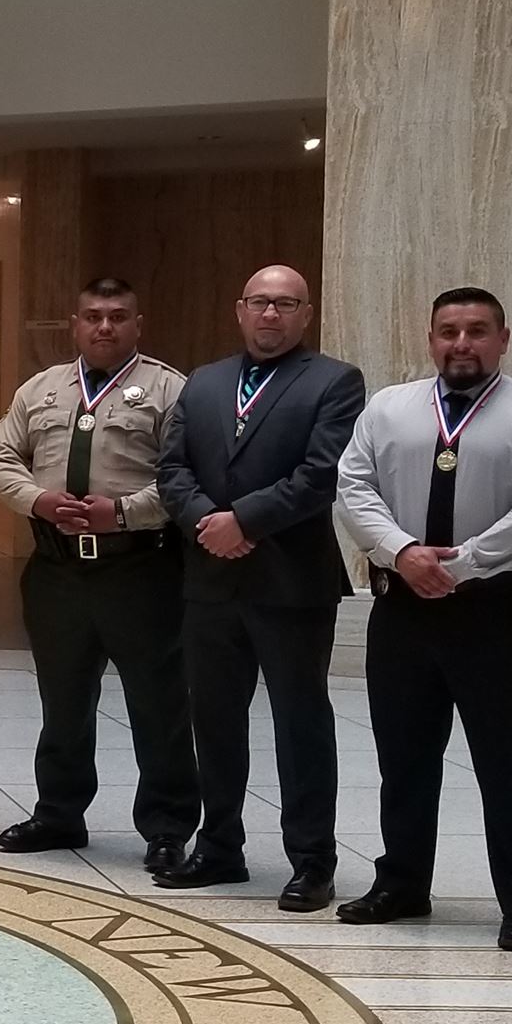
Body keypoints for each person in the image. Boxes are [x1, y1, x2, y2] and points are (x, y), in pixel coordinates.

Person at [334, 288, 512, 952]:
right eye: (448, 331)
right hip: (402, 611)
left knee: (505, 760)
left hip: (497, 613)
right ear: (431, 337)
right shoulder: (389, 410)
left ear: (503, 338)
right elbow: (354, 489)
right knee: (405, 758)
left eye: (476, 331)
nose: (461, 343)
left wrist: (461, 565)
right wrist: (402, 554)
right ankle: (403, 885)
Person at [154, 266, 366, 911]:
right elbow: (172, 468)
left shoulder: (335, 382)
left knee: (299, 723)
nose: (270, 315)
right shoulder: (206, 381)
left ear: (306, 314)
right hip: (210, 584)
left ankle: (311, 861)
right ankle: (219, 847)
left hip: (290, 583)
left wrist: (241, 521)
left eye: (285, 304)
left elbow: (320, 473)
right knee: (214, 721)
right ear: (239, 310)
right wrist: (204, 523)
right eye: (259, 303)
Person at [0, 277, 199, 873]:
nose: (104, 327)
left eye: (117, 316)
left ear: (137, 324)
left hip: (139, 570)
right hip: (56, 571)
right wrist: (38, 501)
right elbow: (1, 457)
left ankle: (166, 824)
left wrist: (123, 511)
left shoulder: (168, 389)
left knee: (157, 704)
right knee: (63, 700)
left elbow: (184, 475)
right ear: (74, 324)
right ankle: (58, 812)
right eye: (93, 316)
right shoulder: (41, 390)